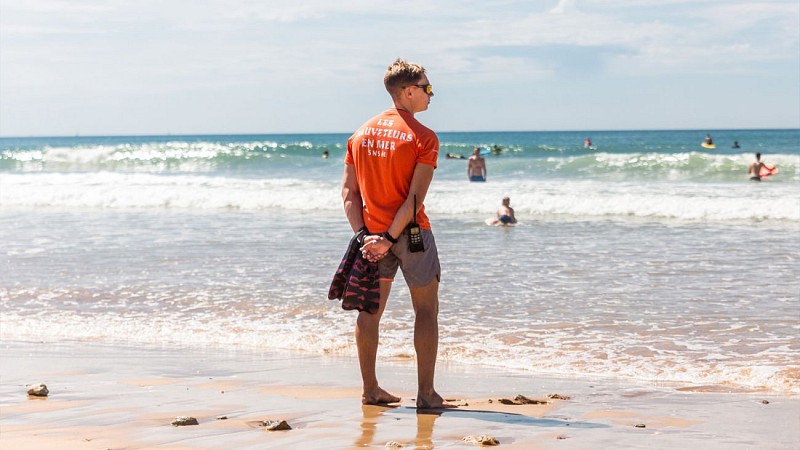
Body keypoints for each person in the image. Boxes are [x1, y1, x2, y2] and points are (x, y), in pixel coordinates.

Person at [341, 58, 448, 409]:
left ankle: (370, 390)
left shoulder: (359, 134)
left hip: (371, 237)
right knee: (426, 312)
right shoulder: (423, 137)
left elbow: (348, 196)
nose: (431, 94)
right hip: (412, 236)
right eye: (426, 87)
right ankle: (427, 395)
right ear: (407, 91)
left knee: (369, 313)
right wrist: (390, 237)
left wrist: (365, 238)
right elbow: (414, 201)